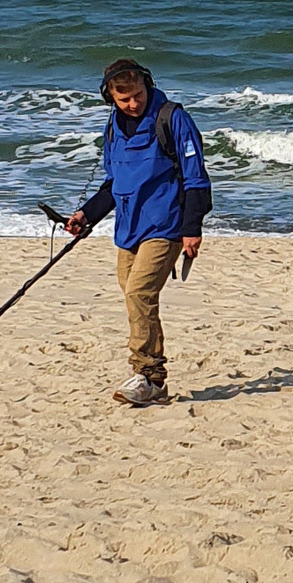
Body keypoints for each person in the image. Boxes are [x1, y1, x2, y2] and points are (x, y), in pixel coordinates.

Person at [64, 59, 212, 407]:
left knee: (139, 293)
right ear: (111, 98)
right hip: (130, 227)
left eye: (138, 94)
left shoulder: (172, 118)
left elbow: (197, 179)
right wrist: (85, 216)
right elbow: (114, 184)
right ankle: (154, 380)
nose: (133, 103)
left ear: (148, 85)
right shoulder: (113, 127)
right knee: (136, 298)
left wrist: (192, 228)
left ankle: (147, 376)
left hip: (167, 223)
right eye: (124, 98)